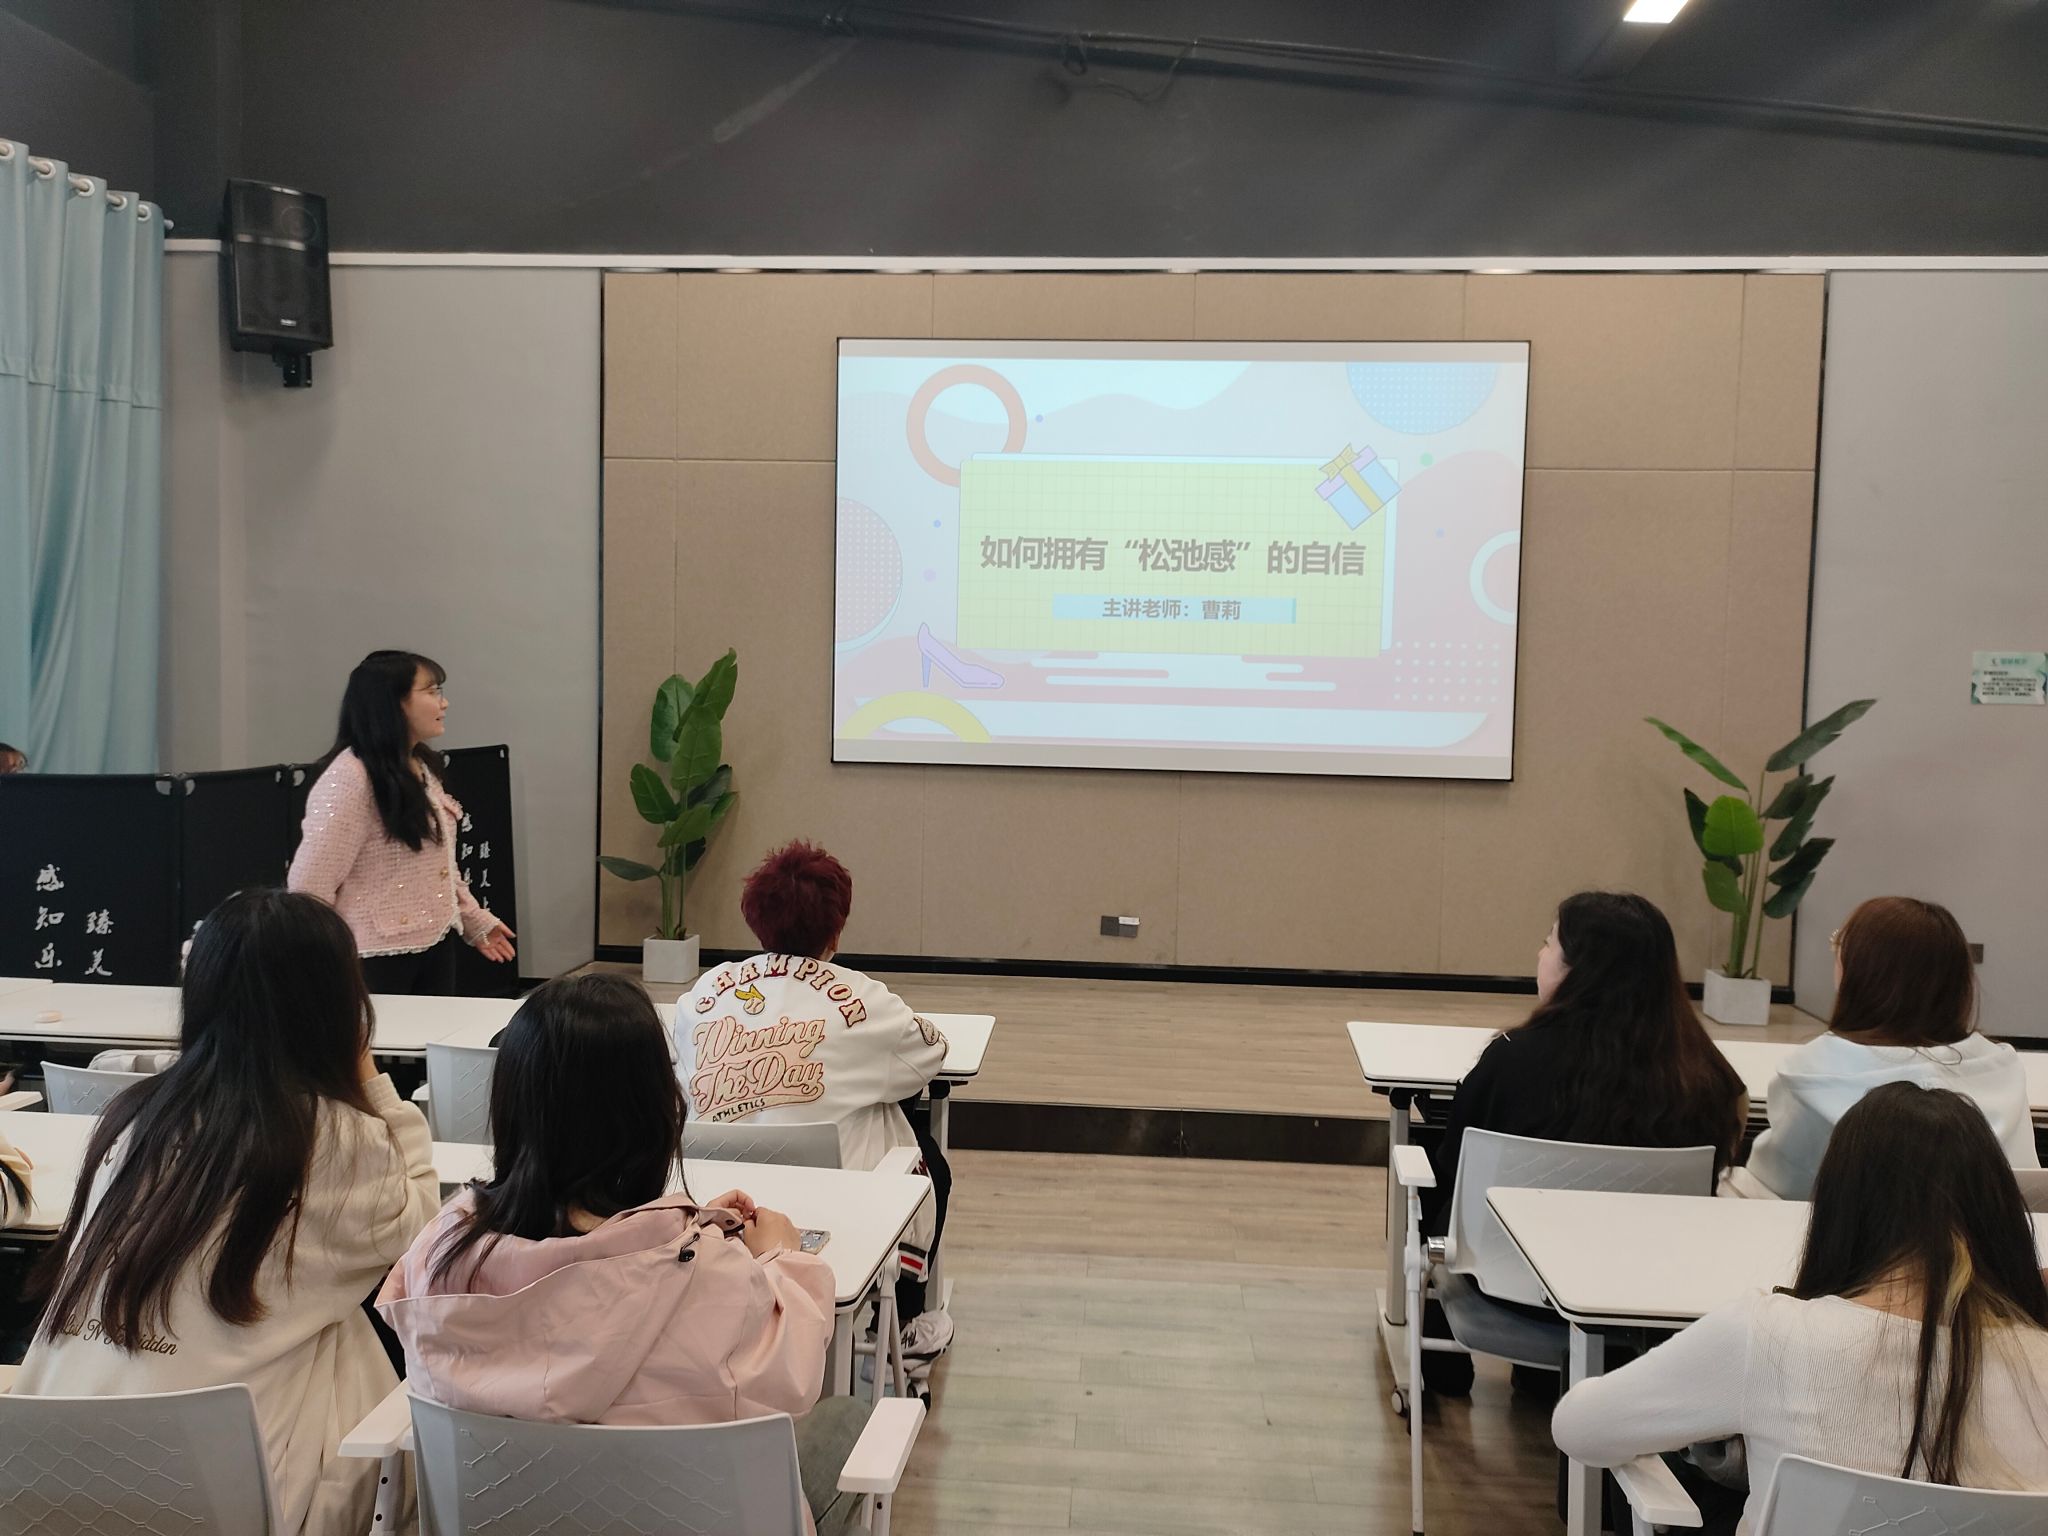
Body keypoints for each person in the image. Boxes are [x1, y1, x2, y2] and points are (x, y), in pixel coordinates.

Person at [13, 889, 440, 1536]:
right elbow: (417, 1227)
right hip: (217, 1496)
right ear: (338, 1006)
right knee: (350, 1335)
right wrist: (372, 1079)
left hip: (49, 1473)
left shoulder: (137, 1117)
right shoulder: (336, 1137)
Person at [379, 973, 859, 1533]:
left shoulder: (438, 1257)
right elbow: (795, 1378)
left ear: (509, 1106)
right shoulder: (710, 1275)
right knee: (846, 1419)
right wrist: (782, 1257)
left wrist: (680, 1228)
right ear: (657, 1113)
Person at [1554, 1082, 2048, 1532]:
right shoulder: (2038, 1355)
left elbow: (1579, 1428)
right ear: (1997, 1213)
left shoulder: (1767, 1334)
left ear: (1841, 1207)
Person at [1419, 891, 1749, 1395]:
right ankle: (1553, 1380)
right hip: (1650, 1294)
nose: (1539, 953)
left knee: (1430, 1176)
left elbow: (1454, 1163)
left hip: (1508, 1284)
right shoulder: (1709, 1080)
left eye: (1548, 943)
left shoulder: (1510, 1062)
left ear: (1580, 970)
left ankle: (1444, 1372)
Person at [677, 840, 954, 1380]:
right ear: (836, 929)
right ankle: (898, 1328)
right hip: (837, 1209)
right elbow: (929, 1054)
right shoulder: (864, 998)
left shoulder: (704, 991)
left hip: (717, 1199)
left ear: (757, 921)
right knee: (918, 1151)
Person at [1731, 896, 2034, 1200]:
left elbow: (1771, 1191)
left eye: (1839, 946)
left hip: (1844, 1232)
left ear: (1859, 971)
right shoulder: (2003, 1073)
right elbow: (2028, 1194)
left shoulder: (1809, 1074)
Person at [288, 649, 514, 995]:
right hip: (369, 957)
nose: (444, 703)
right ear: (393, 703)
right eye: (432, 691)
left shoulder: (419, 765)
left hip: (435, 942)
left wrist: (474, 920)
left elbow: (439, 867)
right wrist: (316, 962)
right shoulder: (350, 777)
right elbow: (310, 884)